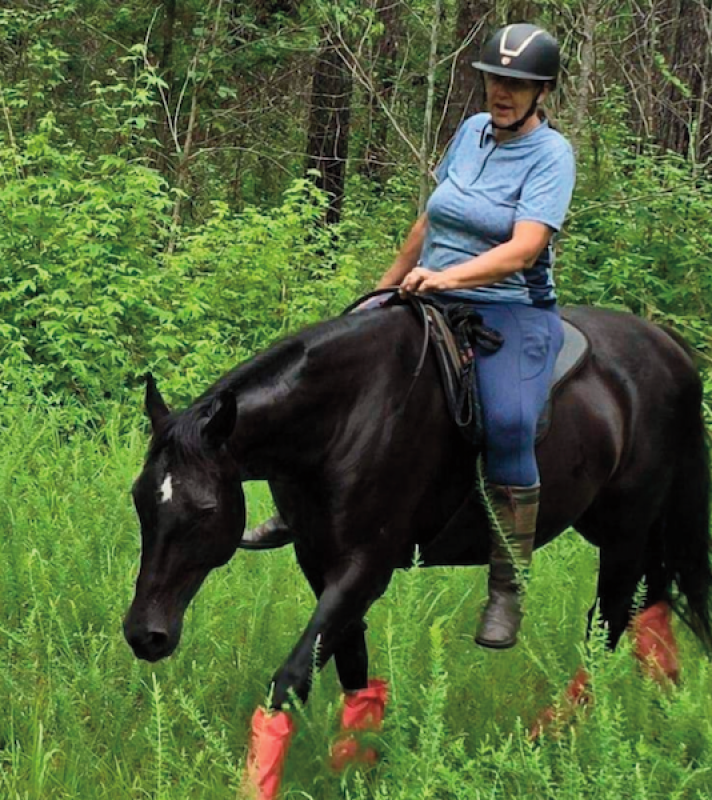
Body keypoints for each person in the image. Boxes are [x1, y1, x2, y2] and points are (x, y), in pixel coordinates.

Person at [241, 22, 576, 650]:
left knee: (508, 422)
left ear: (542, 91)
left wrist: (446, 278)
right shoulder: (470, 133)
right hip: (426, 290)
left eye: (517, 84)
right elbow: (430, 217)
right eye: (495, 79)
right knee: (336, 378)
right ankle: (297, 509)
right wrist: (381, 290)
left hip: (509, 310)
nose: (501, 92)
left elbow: (525, 249)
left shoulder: (552, 155)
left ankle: (508, 587)